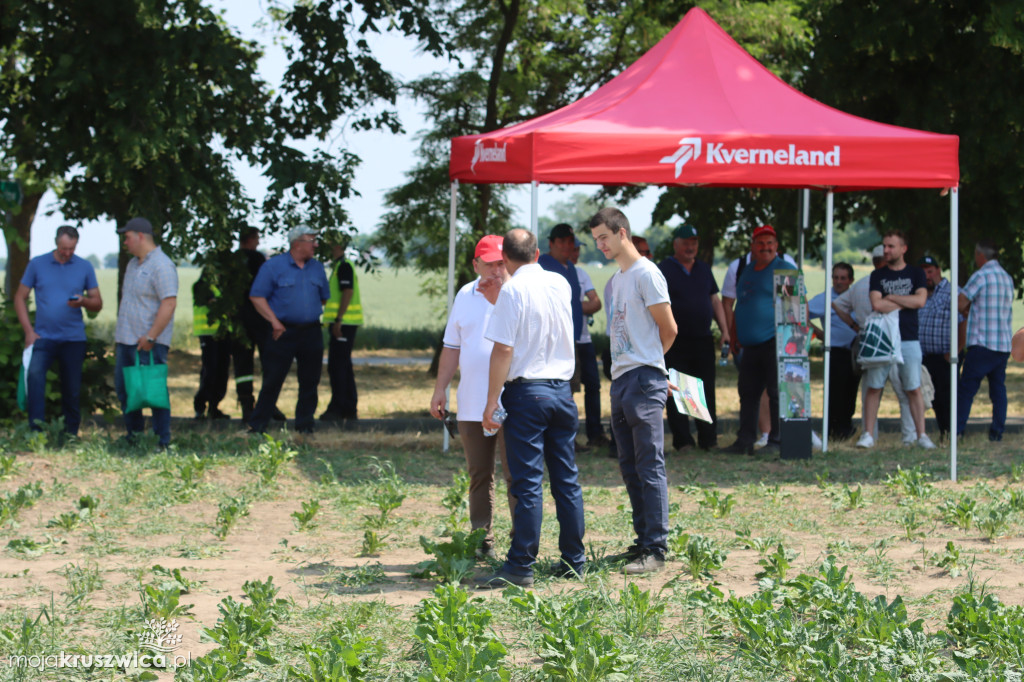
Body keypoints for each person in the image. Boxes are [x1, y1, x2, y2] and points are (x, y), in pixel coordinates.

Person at [479, 228, 586, 588]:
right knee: (566, 480)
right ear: (538, 253)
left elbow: (504, 349)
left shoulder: (512, 290)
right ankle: (574, 560)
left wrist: (492, 400)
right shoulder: (560, 283)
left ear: (505, 258)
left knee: (527, 484)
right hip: (562, 391)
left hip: (527, 393)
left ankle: (521, 564)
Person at [590, 207, 677, 575]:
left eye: (604, 238)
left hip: (642, 379)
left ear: (622, 232)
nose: (600, 245)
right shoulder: (618, 278)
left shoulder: (647, 273)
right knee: (629, 466)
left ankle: (656, 549)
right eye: (596, 240)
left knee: (649, 465)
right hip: (622, 379)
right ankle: (643, 540)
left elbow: (668, 329)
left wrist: (652, 367)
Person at [430, 235, 514, 560]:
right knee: (479, 474)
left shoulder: (517, 292)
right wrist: (441, 388)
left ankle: (521, 546)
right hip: (471, 401)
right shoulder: (465, 294)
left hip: (511, 400)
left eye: (501, 262)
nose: (496, 268)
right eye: (490, 262)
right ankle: (482, 540)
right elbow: (452, 346)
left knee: (515, 474)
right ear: (475, 264)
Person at [14, 225, 103, 437]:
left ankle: (70, 434)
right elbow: (19, 298)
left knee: (72, 388)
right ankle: (36, 431)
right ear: (56, 243)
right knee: (34, 378)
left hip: (73, 338)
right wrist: (28, 331)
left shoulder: (84, 267)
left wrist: (83, 302)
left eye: (72, 248)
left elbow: (97, 303)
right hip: (42, 337)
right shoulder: (37, 264)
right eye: (64, 248)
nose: (67, 253)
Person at [247, 225, 330, 435]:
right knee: (273, 379)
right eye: (312, 240)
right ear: (297, 243)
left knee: (310, 380)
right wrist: (274, 321)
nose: (316, 244)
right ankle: (257, 426)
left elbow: (323, 298)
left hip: (311, 331)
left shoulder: (317, 268)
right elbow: (257, 297)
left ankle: (304, 426)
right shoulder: (273, 266)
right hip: (282, 332)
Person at [833, 245, 917, 443]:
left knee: (871, 392)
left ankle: (870, 434)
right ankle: (909, 436)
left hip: (869, 342)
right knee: (904, 392)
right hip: (895, 340)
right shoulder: (895, 284)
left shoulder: (861, 285)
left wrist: (855, 325)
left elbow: (837, 304)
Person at [858, 230, 933, 449]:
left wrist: (891, 297)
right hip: (882, 339)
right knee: (874, 386)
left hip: (909, 338)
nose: (886, 250)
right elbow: (877, 305)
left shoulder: (916, 273)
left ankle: (921, 436)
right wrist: (905, 301)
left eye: (891, 246)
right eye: (885, 246)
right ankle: (868, 434)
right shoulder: (878, 275)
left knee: (913, 387)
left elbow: (920, 301)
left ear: (903, 249)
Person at [722, 225, 791, 456]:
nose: (766, 247)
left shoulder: (784, 269)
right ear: (752, 247)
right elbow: (739, 305)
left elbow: (797, 308)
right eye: (760, 243)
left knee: (775, 392)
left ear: (777, 246)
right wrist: (734, 335)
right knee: (748, 393)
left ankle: (777, 441)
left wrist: (793, 343)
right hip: (749, 344)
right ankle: (745, 441)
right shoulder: (748, 270)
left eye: (770, 243)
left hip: (775, 341)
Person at [658, 224, 728, 451]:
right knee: (679, 389)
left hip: (703, 339)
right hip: (675, 341)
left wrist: (724, 330)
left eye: (694, 243)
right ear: (676, 244)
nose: (690, 247)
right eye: (686, 243)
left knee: (705, 390)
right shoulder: (663, 269)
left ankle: (708, 439)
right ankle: (684, 440)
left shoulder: (704, 269)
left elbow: (715, 301)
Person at [113, 217, 178, 448]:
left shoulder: (161, 265)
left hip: (148, 342)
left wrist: (151, 336)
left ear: (140, 236)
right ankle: (135, 436)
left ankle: (162, 440)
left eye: (127, 237)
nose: (125, 242)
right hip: (126, 339)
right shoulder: (133, 264)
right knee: (125, 390)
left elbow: (169, 303)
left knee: (153, 390)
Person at [956, 240, 1014, 441]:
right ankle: (997, 432)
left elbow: (960, 302)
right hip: (1003, 343)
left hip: (982, 342)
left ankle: (957, 431)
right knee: (998, 391)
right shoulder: (1007, 278)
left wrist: (966, 309)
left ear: (981, 256)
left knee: (966, 390)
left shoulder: (981, 276)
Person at [808, 263, 858, 440]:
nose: (839, 282)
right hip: (834, 352)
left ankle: (846, 428)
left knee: (851, 392)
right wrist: (818, 333)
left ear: (851, 280)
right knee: (835, 394)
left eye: (843, 278)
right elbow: (802, 312)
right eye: (836, 277)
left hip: (854, 351)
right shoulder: (824, 298)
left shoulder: (856, 298)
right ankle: (833, 431)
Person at [569, 240, 608, 448]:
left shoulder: (581, 274)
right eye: (572, 249)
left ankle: (595, 433)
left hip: (585, 340)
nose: (575, 253)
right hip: (568, 342)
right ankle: (570, 436)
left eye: (577, 250)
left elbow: (596, 302)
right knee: (569, 390)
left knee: (593, 386)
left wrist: (574, 307)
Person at [321, 240, 363, 421]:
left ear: (339, 247)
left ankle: (339, 407)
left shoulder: (344, 266)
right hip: (342, 323)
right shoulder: (340, 266)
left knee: (337, 366)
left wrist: (338, 320)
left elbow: (348, 292)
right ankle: (347, 407)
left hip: (343, 324)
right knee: (342, 365)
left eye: (331, 245)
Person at [917, 256, 955, 437]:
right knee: (925, 397)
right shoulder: (920, 293)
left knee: (944, 398)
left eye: (930, 271)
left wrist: (955, 350)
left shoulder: (952, 292)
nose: (927, 275)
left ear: (939, 270)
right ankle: (927, 433)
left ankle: (949, 433)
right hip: (923, 356)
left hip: (944, 356)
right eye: (923, 271)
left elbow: (963, 322)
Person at [192, 254, 232, 420]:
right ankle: (200, 406)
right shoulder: (201, 286)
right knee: (210, 371)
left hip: (223, 334)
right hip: (208, 335)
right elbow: (213, 303)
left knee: (222, 371)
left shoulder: (223, 287)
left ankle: (214, 407)